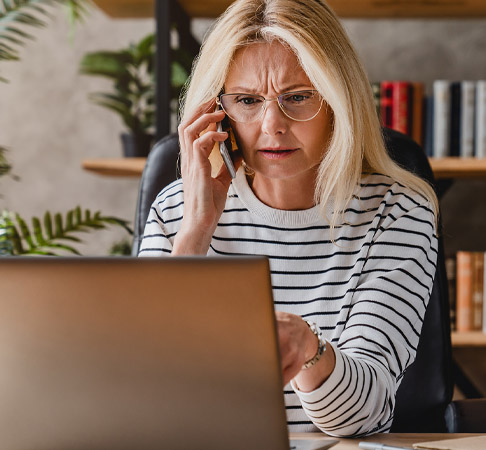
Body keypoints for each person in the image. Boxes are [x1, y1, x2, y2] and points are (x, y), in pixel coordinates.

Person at [139, 0, 439, 437]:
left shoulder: (398, 212)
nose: (272, 124)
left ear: (340, 101)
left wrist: (308, 348)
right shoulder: (174, 210)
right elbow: (143, 392)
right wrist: (195, 231)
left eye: (298, 97)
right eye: (246, 100)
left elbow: (362, 416)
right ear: (215, 111)